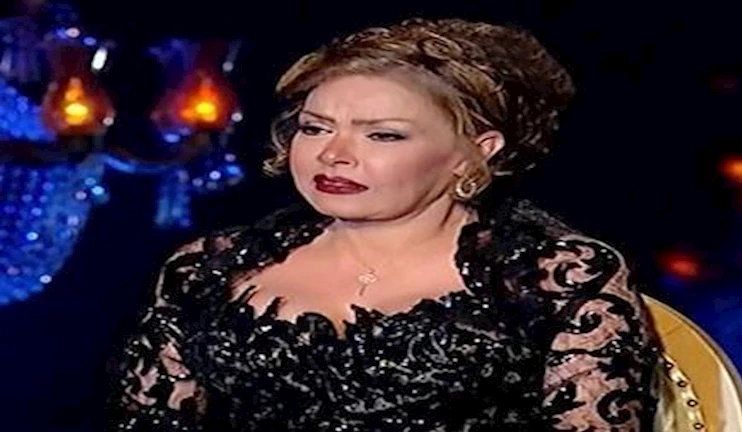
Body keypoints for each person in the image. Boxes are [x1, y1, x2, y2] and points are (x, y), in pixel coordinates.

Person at [106, 17, 661, 431]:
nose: (333, 155)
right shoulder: (209, 268)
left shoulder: (554, 278)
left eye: (383, 135)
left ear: (476, 152)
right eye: (315, 128)